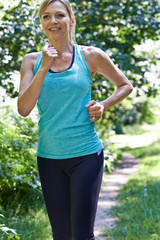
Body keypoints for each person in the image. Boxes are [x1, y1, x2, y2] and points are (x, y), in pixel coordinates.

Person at [17, 0, 133, 239]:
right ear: (41, 23)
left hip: (86, 155)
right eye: (46, 16)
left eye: (59, 15)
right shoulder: (31, 61)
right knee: (61, 234)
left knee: (81, 234)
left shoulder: (90, 56)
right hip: (49, 158)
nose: (53, 21)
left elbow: (125, 85)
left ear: (71, 20)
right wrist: (43, 68)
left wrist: (103, 104)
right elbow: (24, 108)